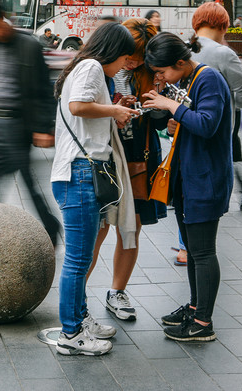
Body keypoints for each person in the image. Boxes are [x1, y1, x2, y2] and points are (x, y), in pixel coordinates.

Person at [51, 21, 140, 356]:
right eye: (124, 60)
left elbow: (82, 113)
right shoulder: (90, 66)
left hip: (77, 172)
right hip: (79, 174)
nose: (124, 67)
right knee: (77, 259)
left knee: (81, 256)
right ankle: (71, 334)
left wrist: (112, 112)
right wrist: (115, 109)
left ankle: (80, 319)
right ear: (113, 52)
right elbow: (78, 106)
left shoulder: (81, 65)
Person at [142, 33, 233, 342]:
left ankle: (203, 323)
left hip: (206, 180)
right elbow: (193, 121)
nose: (159, 78)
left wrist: (171, 105)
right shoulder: (189, 80)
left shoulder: (209, 79)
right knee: (192, 249)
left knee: (203, 251)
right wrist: (173, 119)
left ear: (180, 63)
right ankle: (195, 307)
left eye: (162, 72)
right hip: (188, 178)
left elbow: (208, 123)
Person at [86, 18, 168, 322]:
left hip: (138, 157)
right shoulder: (98, 67)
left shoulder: (149, 72)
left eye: (140, 58)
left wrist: (154, 107)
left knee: (130, 228)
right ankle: (78, 293)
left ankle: (117, 291)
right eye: (130, 55)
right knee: (98, 228)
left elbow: (159, 119)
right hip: (105, 156)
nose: (132, 63)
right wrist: (116, 105)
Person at [0, 1, 61, 250]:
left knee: (28, 183)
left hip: (18, 126)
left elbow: (44, 90)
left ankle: (50, 225)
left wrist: (44, 127)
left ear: (7, 18)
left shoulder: (29, 46)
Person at [192, 2, 242, 211]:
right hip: (217, 128)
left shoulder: (182, 47)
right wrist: (231, 107)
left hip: (184, 123)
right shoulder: (223, 53)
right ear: (223, 26)